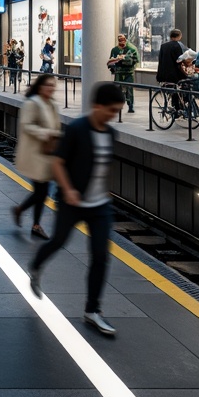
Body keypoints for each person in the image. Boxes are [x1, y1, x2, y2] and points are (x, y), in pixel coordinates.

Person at [28, 82, 125, 336]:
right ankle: (36, 264)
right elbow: (58, 163)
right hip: (72, 201)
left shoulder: (110, 134)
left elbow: (106, 165)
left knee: (101, 256)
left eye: (117, 111)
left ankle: (93, 310)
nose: (113, 115)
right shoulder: (77, 129)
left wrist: (106, 190)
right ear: (97, 106)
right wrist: (69, 190)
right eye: (110, 110)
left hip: (99, 205)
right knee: (58, 241)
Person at [12, 75, 62, 239]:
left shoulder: (52, 104)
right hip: (34, 154)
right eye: (48, 85)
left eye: (53, 85)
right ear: (40, 86)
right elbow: (26, 125)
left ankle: (26, 215)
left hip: (46, 153)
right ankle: (33, 223)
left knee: (42, 191)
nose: (51, 88)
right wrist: (46, 133)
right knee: (41, 191)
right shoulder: (32, 104)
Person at [107, 34, 140, 113]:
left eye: (123, 39)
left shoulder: (132, 49)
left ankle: (130, 105)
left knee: (129, 89)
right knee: (118, 89)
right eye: (120, 40)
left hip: (128, 72)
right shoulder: (114, 50)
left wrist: (126, 59)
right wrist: (113, 66)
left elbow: (136, 60)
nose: (122, 41)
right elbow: (111, 60)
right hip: (118, 72)